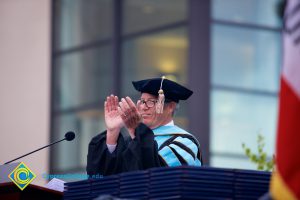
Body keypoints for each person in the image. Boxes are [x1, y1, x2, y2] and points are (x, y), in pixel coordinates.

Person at [86, 77, 202, 176]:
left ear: (170, 106)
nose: (144, 107)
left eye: (151, 101)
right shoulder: (130, 142)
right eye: (142, 101)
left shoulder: (184, 142)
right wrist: (112, 132)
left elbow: (159, 177)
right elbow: (99, 178)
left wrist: (137, 130)